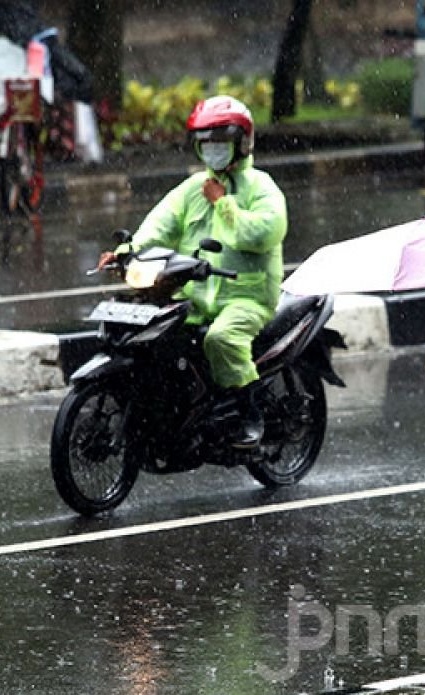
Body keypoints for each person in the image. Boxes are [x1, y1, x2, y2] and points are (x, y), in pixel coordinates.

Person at [98, 95, 287, 447]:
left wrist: (223, 204)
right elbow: (159, 225)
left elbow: (263, 234)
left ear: (241, 142)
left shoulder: (261, 187)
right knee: (155, 334)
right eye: (206, 142)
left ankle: (249, 414)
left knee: (221, 339)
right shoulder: (192, 189)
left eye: (220, 141)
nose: (213, 149)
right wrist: (125, 252)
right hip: (195, 294)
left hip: (246, 297)